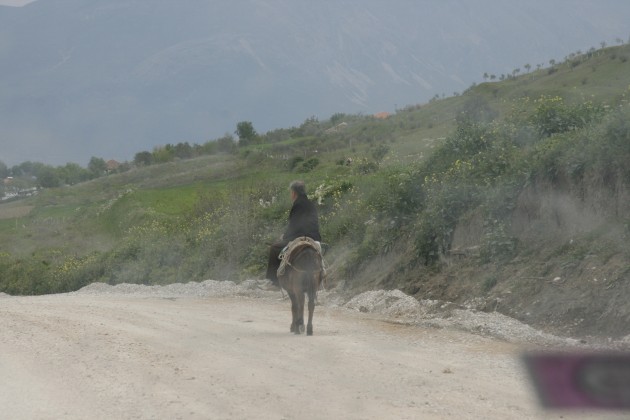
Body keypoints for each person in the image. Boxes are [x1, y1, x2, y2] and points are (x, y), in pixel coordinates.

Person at [266, 180, 321, 286]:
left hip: (300, 236)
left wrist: (284, 236)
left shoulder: (297, 205)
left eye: (291, 192)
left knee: (275, 248)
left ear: (294, 192)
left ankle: (274, 282)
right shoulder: (311, 204)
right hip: (314, 237)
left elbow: (294, 225)